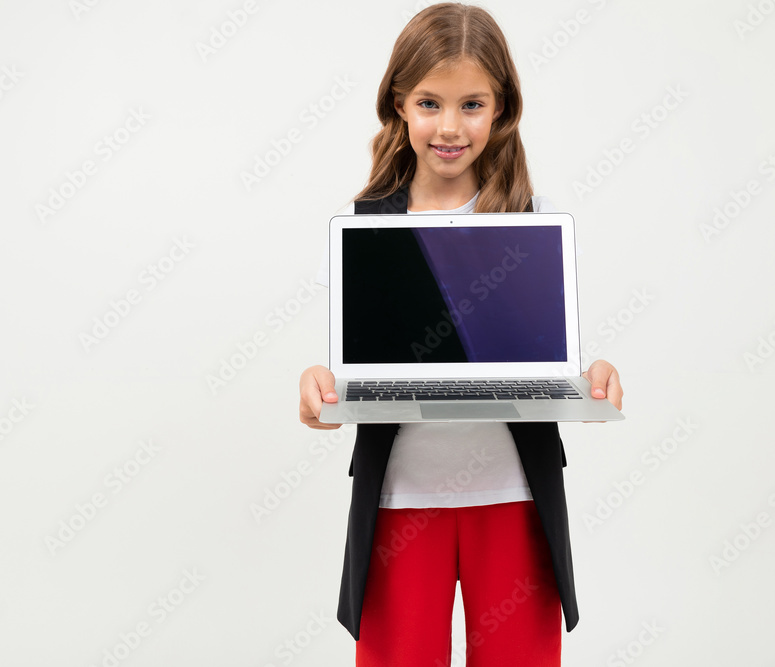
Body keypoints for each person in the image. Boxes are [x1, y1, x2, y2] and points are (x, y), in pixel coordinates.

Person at [298, 4, 623, 666]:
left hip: (514, 500)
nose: (450, 126)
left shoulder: (531, 219)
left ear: (501, 110)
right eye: (430, 103)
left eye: (472, 104)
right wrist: (318, 386)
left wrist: (591, 379)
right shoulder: (367, 224)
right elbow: (353, 365)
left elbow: (543, 353)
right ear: (399, 104)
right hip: (400, 504)